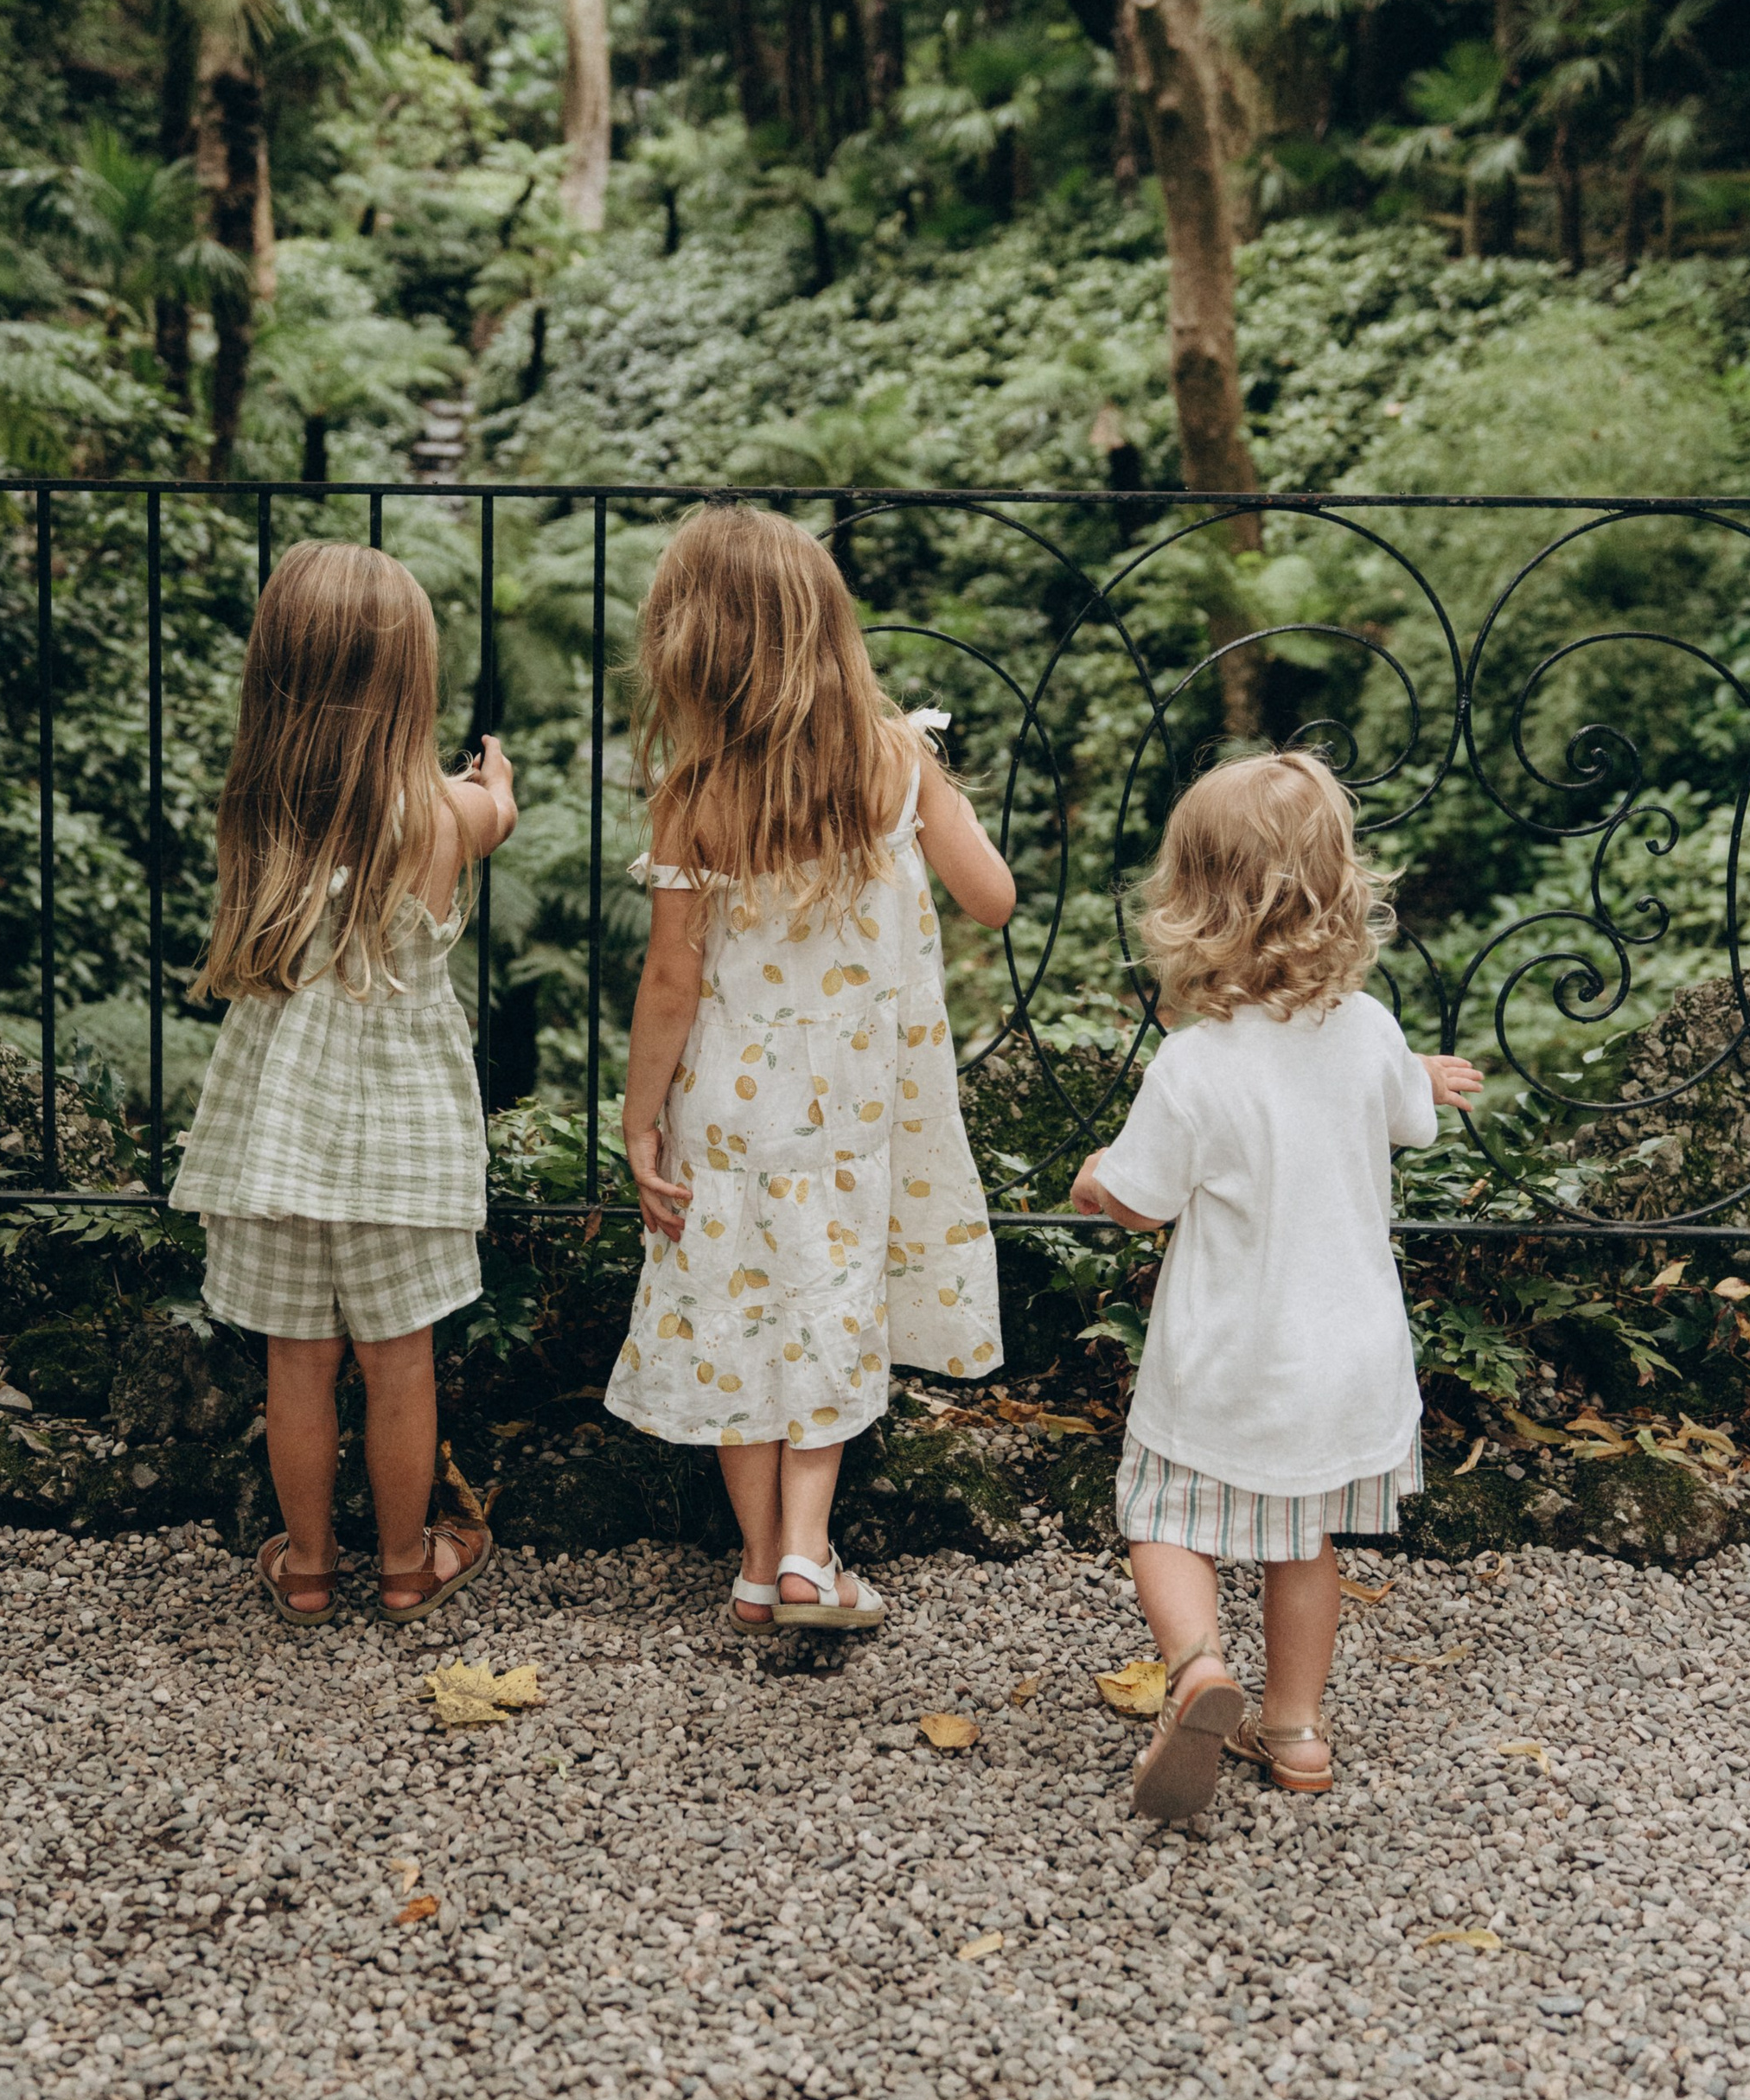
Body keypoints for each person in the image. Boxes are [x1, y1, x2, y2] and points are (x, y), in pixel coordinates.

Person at [604, 502, 1017, 1633]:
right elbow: (994, 897)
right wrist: (939, 787)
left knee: (742, 1315)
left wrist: (641, 1122)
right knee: (831, 1306)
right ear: (828, 634)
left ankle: (753, 1564)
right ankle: (806, 1553)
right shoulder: (892, 762)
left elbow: (671, 983)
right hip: (852, 1116)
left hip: (730, 1121)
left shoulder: (692, 795)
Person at [1067, 750, 1481, 1818]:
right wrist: (1420, 1075)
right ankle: (1295, 1731)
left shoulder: (1196, 1065)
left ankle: (1199, 1668)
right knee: (1306, 1542)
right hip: (1344, 1363)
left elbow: (1142, 1196)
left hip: (1227, 1359)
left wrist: (1094, 1182)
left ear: (1190, 903)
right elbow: (1408, 1117)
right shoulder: (1373, 1034)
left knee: (1162, 1515)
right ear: (1344, 890)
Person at [171, 539, 516, 1626]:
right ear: (408, 683)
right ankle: (410, 1565)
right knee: (400, 1363)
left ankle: (310, 1568)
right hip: (400, 1140)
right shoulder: (441, 819)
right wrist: (490, 784)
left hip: (277, 1140)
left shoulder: (261, 816)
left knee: (298, 1365)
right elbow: (492, 817)